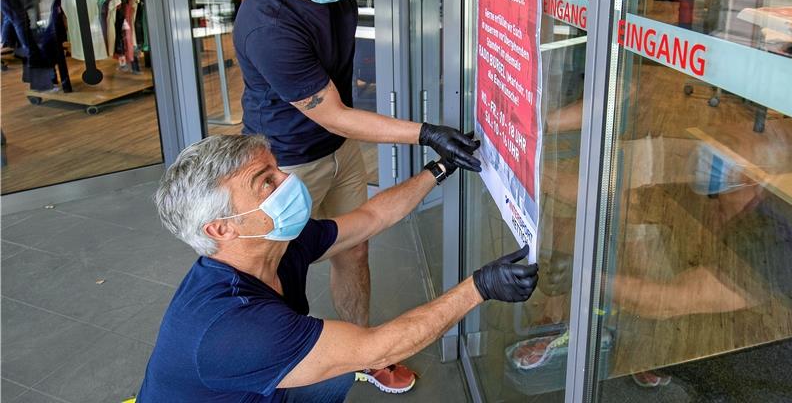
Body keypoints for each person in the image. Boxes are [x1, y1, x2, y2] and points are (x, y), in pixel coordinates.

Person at [232, 0, 490, 392]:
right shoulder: (267, 26)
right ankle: (279, 370)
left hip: (337, 148)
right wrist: (426, 134)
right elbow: (332, 112)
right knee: (275, 268)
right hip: (283, 162)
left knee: (355, 246)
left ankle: (363, 355)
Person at [137, 134, 537, 402]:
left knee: (335, 372)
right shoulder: (232, 326)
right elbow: (381, 347)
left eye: (276, 168)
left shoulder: (274, 245)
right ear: (222, 227)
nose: (288, 180)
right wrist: (480, 287)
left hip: (251, 384)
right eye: (266, 182)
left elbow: (370, 218)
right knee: (338, 366)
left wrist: (440, 168)